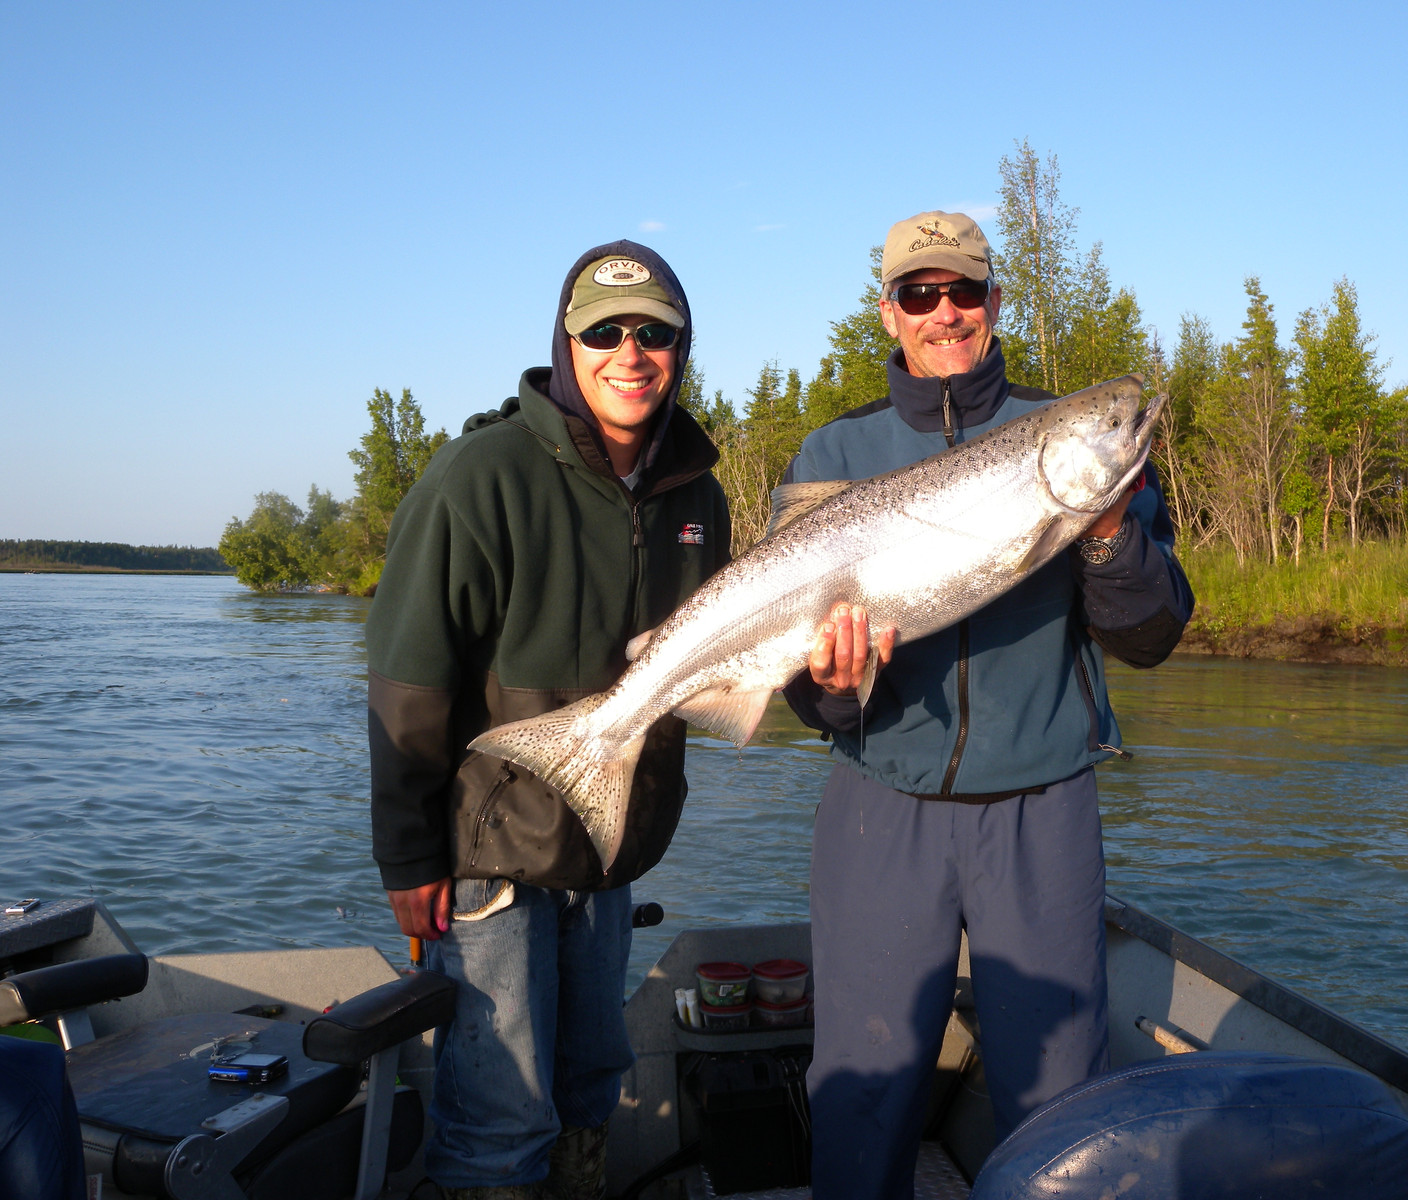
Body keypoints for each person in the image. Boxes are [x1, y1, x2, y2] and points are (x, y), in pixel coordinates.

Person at [783, 211, 1194, 1198]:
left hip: (1042, 805)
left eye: (963, 290)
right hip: (880, 804)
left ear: (994, 301)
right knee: (861, 1091)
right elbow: (805, 692)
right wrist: (835, 689)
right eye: (920, 295)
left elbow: (1149, 635)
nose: (945, 313)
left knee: (1059, 1106)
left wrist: (1104, 533)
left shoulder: (1081, 442)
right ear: (890, 313)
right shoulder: (833, 454)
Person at [366, 241, 730, 1200]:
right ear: (566, 345)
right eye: (604, 331)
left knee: (587, 1091)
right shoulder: (477, 476)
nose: (630, 352)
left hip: (610, 855)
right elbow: (409, 684)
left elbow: (708, 675)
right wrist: (410, 859)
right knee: (501, 1117)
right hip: (493, 859)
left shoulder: (700, 495)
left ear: (681, 348)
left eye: (654, 333)